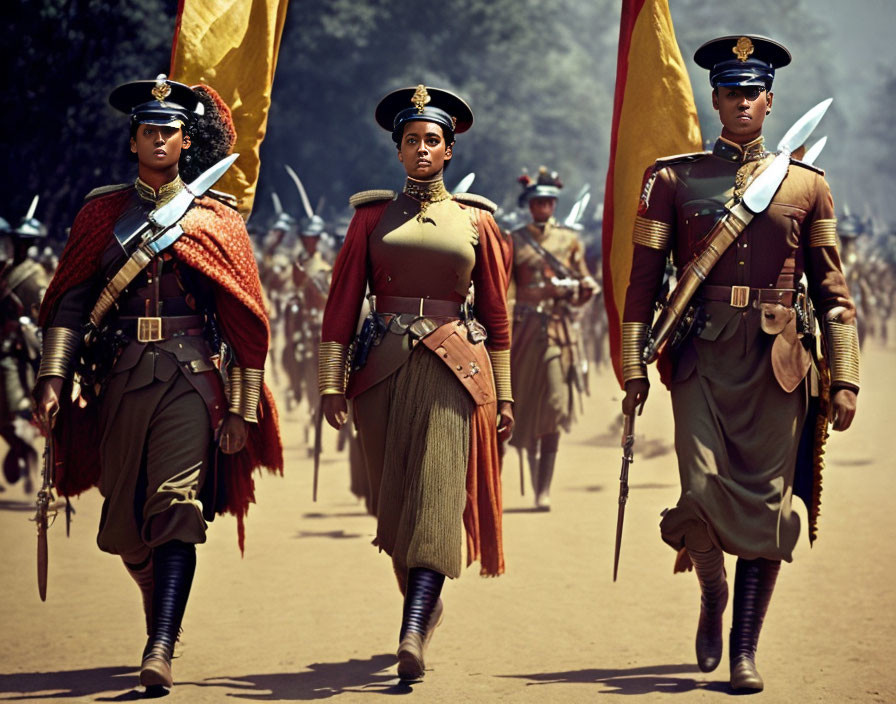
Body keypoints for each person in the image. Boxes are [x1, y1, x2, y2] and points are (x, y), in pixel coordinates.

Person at [620, 36, 859, 692]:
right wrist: (634, 366)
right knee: (698, 492)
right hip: (699, 355)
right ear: (716, 99)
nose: (742, 102)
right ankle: (710, 587)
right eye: (731, 92)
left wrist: (846, 376)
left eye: (753, 92)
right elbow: (643, 285)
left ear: (769, 101)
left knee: (769, 508)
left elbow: (833, 291)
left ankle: (743, 649)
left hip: (779, 363)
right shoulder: (672, 179)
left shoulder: (809, 187)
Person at [32, 75, 282, 690]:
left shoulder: (217, 219)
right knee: (122, 527)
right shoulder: (101, 213)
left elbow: (246, 322)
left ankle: (161, 645)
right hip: (118, 378)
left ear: (184, 140)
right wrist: (53, 379)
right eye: (150, 129)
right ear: (135, 139)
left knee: (174, 506)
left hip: (190, 378)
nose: (160, 138)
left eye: (171, 130)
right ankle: (158, 611)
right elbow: (69, 302)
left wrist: (240, 412)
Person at [318, 84, 513, 681]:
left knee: (436, 495)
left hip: (455, 369)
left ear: (449, 150)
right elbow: (343, 303)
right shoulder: (371, 217)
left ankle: (411, 631)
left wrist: (505, 393)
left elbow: (500, 316)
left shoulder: (478, 220)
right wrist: (331, 384)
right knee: (395, 504)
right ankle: (422, 608)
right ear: (398, 151)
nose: (422, 149)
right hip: (380, 372)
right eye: (411, 141)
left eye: (432, 140)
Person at [507, 167, 597, 509]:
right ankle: (536, 484)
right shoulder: (513, 241)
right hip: (523, 334)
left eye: (548, 202)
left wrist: (582, 290)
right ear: (530, 205)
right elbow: (505, 289)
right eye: (538, 202)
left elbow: (583, 283)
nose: (543, 207)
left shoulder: (569, 240)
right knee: (525, 410)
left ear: (555, 204)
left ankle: (544, 489)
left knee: (555, 408)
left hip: (559, 334)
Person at [0, 210, 47, 491]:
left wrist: (24, 323)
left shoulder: (34, 273)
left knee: (18, 409)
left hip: (16, 351)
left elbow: (43, 309)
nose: (20, 246)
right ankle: (19, 449)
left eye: (25, 243)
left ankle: (25, 451)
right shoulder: (4, 270)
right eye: (17, 241)